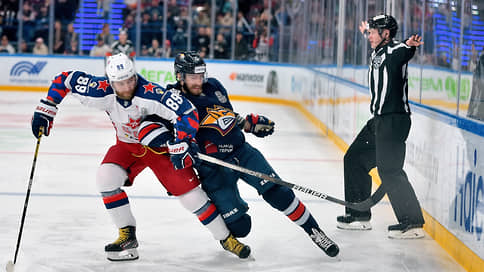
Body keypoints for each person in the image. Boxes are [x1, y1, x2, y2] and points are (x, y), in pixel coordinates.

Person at [30, 53, 251, 261]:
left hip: (159, 149)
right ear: (110, 81)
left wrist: (182, 141)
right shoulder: (98, 90)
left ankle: (226, 238)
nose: (127, 87)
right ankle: (127, 236)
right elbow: (65, 79)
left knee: (190, 196)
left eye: (130, 80)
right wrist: (47, 107)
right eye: (120, 83)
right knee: (105, 178)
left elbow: (187, 111)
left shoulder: (151, 93)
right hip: (128, 147)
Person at [141, 51, 340, 257]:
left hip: (242, 153)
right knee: (241, 227)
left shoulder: (215, 86)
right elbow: (148, 129)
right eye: (193, 77)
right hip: (212, 169)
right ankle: (229, 224)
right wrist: (173, 146)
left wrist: (248, 124)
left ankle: (315, 232)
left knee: (279, 194)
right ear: (179, 76)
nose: (198, 81)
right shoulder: (172, 98)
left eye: (200, 75)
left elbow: (226, 116)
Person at [336, 14, 426, 239]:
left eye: (374, 32)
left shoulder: (395, 51)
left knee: (390, 170)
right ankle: (359, 215)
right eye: (370, 31)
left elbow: (403, 50)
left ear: (386, 35)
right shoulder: (377, 49)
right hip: (379, 121)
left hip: (394, 121)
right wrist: (367, 29)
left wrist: (409, 44)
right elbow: (376, 40)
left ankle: (412, 223)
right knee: (354, 159)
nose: (370, 36)